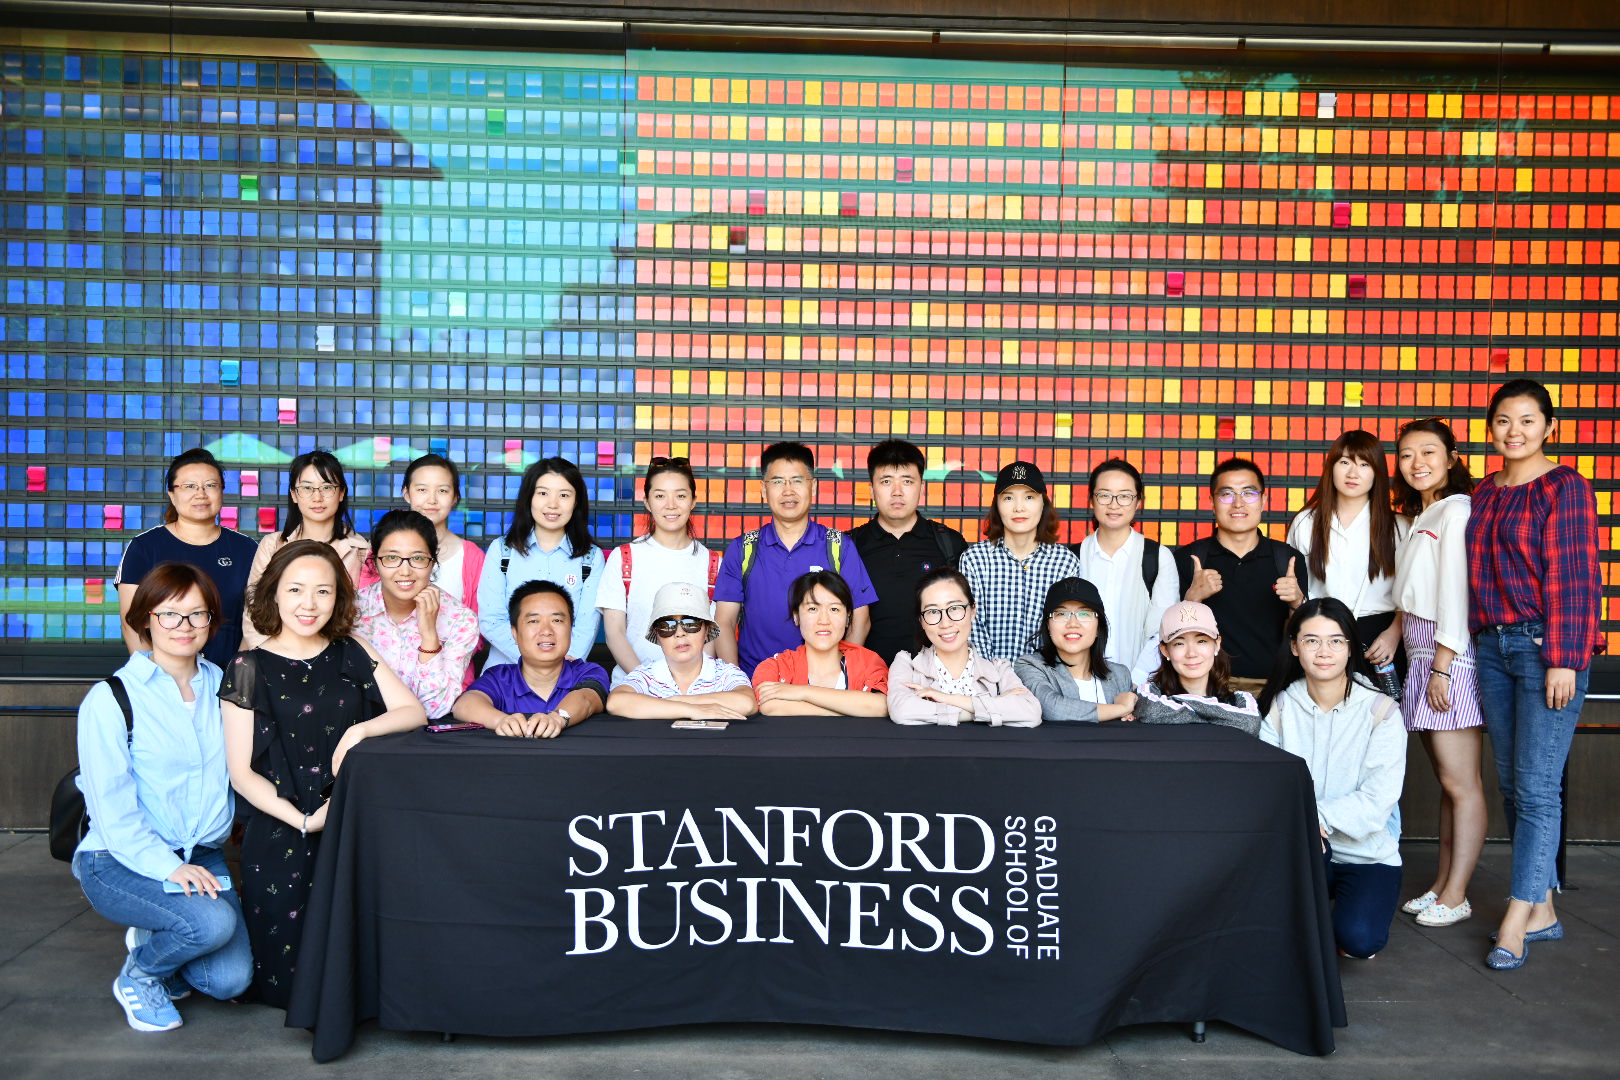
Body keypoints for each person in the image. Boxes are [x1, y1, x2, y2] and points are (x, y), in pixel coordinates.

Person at [220, 540, 426, 1007]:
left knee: (358, 950)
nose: (309, 604)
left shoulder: (352, 649)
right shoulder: (247, 666)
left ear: (339, 597)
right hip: (282, 822)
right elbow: (241, 773)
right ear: (274, 593)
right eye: (295, 590)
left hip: (351, 814)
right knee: (286, 975)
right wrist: (304, 821)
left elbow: (412, 711)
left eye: (323, 591)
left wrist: (358, 732)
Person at [73, 563, 252, 1032]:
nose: (184, 626)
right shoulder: (111, 698)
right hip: (121, 859)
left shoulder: (225, 687)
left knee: (229, 981)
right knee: (210, 926)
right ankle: (141, 973)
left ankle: (162, 929)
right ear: (145, 619)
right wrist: (168, 868)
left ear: (212, 621)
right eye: (170, 614)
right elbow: (112, 811)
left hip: (202, 855)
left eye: (197, 614)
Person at [1467, 379, 1602, 971]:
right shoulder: (1483, 491)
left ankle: (1517, 917)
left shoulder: (1565, 486)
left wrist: (1565, 657)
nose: (1514, 431)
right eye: (1503, 420)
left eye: (1527, 420)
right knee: (1512, 785)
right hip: (1491, 645)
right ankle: (1542, 906)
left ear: (1549, 426)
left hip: (1545, 645)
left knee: (1538, 789)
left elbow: (1574, 575)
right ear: (1490, 428)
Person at [1258, 598, 1406, 960]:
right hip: (1303, 849)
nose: (1324, 651)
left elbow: (1376, 803)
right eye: (1311, 640)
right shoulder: (1279, 707)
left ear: (1350, 648)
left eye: (1336, 641)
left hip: (1366, 854)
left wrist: (1313, 817)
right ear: (1295, 647)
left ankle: (1332, 918)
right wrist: (1307, 828)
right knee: (1283, 937)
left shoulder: (1381, 711)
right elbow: (1268, 790)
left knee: (1359, 940)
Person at [1392, 418, 1486, 930]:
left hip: (1446, 656)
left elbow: (1456, 591)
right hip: (1421, 651)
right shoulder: (1422, 514)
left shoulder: (1457, 510)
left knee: (1462, 783)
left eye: (1429, 452)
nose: (1417, 463)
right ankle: (1443, 884)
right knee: (1448, 783)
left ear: (1452, 458)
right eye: (1407, 454)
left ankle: (1458, 893)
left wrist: (1443, 667)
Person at [714, 442, 878, 676]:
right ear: (763, 489)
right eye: (778, 482)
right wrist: (736, 682)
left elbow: (860, 620)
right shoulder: (743, 548)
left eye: (797, 481)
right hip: (756, 681)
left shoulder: (838, 546)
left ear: (813, 487)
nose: (788, 491)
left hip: (819, 686)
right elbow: (725, 622)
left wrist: (838, 678)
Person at [1286, 431, 1408, 694]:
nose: (1353, 473)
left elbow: (1412, 591)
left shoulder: (1399, 527)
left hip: (1379, 637)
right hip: (1321, 632)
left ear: (1377, 473)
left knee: (1380, 713)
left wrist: (1394, 634)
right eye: (1344, 462)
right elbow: (1295, 593)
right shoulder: (1306, 522)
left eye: (1364, 464)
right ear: (1331, 467)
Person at [115, 447, 259, 668]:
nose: (200, 494)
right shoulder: (144, 547)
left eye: (210, 485)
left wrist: (236, 676)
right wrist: (155, 678)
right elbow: (131, 625)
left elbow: (257, 622)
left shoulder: (247, 549)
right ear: (172, 494)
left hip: (231, 676)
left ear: (222, 491)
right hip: (163, 677)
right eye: (189, 486)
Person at [1179, 457, 1309, 695]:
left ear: (1263, 501)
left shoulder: (1288, 559)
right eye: (1226, 494)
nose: (1238, 503)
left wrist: (1297, 603)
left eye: (1249, 493)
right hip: (1205, 687)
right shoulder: (1188, 558)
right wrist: (1192, 598)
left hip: (1274, 688)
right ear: (1212, 502)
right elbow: (1169, 637)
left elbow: (1300, 637)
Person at [600, 457, 723, 684]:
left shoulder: (713, 563)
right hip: (634, 686)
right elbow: (614, 633)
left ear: (693, 501)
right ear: (647, 502)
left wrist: (690, 685)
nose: (670, 505)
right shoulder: (624, 558)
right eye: (660, 496)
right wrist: (650, 682)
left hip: (695, 690)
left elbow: (712, 636)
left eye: (680, 496)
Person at [476, 457, 604, 669]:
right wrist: (537, 660)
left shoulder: (591, 557)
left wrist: (555, 667)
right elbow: (492, 620)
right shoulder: (502, 550)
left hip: (565, 673)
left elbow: (586, 626)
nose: (553, 504)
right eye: (543, 493)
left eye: (564, 495)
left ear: (576, 502)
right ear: (529, 498)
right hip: (505, 672)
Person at [354, 509, 481, 718]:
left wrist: (429, 635)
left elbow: (435, 708)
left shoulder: (460, 620)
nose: (405, 571)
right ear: (375, 560)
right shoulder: (352, 611)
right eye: (392, 557)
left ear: (433, 561)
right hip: (359, 724)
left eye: (418, 558)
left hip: (425, 733)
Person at [850, 439, 967, 664]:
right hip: (866, 677)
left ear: (921, 487)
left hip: (935, 677)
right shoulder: (849, 545)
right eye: (886, 481)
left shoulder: (949, 543)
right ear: (871, 489)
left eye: (907, 481)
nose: (897, 492)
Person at [958, 460, 1086, 661]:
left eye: (1029, 497)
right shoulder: (974, 559)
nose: (1019, 507)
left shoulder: (1064, 562)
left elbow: (1065, 628)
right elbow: (972, 626)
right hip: (986, 676)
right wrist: (995, 675)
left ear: (1043, 503)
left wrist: (1037, 675)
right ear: (997, 505)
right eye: (1008, 498)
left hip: (1046, 676)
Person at [241, 449, 370, 648]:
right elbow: (253, 612)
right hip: (271, 654)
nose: (317, 497)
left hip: (338, 655)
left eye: (327, 488)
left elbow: (363, 618)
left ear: (342, 493)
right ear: (294, 494)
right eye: (307, 488)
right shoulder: (272, 545)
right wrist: (274, 657)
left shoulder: (361, 551)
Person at [453, 580, 609, 737]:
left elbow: (586, 699)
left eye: (557, 620)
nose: (546, 631)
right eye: (534, 621)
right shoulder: (499, 677)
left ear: (570, 629)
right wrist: (502, 721)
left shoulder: (588, 672)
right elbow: (465, 704)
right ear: (515, 633)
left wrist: (557, 718)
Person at [1073, 458, 1182, 684]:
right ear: (1091, 500)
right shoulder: (1072, 557)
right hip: (1079, 684)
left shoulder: (1157, 557)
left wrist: (1134, 684)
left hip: (1140, 684)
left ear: (1138, 501)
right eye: (1104, 495)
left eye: (1124, 496)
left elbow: (1161, 631)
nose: (1114, 505)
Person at [888, 567, 1040, 727]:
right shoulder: (907, 664)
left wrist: (950, 699)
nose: (945, 623)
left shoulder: (999, 670)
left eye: (954, 608)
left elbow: (1031, 712)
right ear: (921, 621)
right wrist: (987, 706)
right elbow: (901, 711)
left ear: (973, 610)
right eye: (933, 611)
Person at [606, 581, 756, 721]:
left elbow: (747, 703)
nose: (680, 633)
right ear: (657, 636)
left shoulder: (725, 673)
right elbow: (615, 702)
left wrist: (676, 700)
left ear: (706, 631)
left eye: (690, 623)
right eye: (667, 626)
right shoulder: (646, 675)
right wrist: (692, 710)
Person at [752, 571, 891, 717]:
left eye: (834, 609)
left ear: (847, 617)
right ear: (796, 616)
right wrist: (851, 709)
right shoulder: (776, 666)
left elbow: (882, 706)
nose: (824, 620)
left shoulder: (868, 662)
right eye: (813, 609)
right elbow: (770, 706)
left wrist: (802, 692)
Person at [1013, 577, 1136, 722]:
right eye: (1061, 614)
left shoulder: (1120, 675)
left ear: (1098, 627)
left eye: (1084, 614)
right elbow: (1050, 708)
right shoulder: (1030, 666)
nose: (1072, 623)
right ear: (1048, 626)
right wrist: (1122, 708)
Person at [1131, 601, 1263, 733]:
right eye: (1179, 643)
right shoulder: (1149, 693)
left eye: (1201, 641)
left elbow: (1250, 722)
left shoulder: (1241, 700)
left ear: (1217, 644)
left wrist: (1173, 708)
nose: (1191, 653)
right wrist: (1224, 716)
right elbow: (1151, 710)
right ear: (1165, 650)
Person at [401, 453, 486, 610]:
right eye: (422, 489)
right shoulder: (382, 549)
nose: (432, 500)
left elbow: (478, 618)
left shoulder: (473, 557)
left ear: (455, 497)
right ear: (407, 494)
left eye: (442, 491)